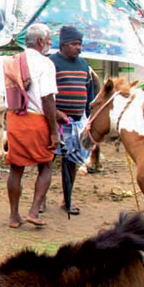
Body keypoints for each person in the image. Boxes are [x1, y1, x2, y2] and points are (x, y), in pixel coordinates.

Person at [6, 23, 59, 228]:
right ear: (40, 42)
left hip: (15, 119)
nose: (49, 44)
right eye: (48, 40)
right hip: (37, 120)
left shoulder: (11, 62)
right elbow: (47, 99)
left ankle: (13, 216)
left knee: (16, 169)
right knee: (45, 166)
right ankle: (34, 211)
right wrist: (54, 132)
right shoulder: (46, 64)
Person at [50, 25, 96, 216]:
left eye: (80, 44)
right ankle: (41, 200)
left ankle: (67, 200)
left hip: (76, 122)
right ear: (63, 45)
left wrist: (89, 116)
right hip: (55, 122)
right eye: (74, 44)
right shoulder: (52, 63)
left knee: (71, 162)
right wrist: (54, 113)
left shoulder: (84, 65)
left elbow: (89, 91)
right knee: (47, 160)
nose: (78, 47)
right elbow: (45, 93)